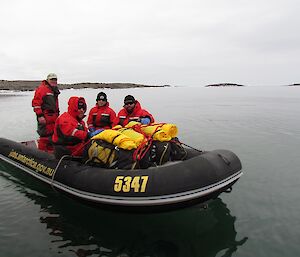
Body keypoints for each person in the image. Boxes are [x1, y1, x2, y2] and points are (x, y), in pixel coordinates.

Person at [32, 73, 60, 152]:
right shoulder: (42, 89)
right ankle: (40, 154)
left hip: (53, 117)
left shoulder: (53, 90)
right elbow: (36, 104)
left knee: (52, 135)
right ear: (48, 80)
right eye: (52, 79)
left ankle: (50, 152)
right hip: (45, 117)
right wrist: (40, 115)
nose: (54, 81)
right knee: (44, 136)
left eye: (55, 79)